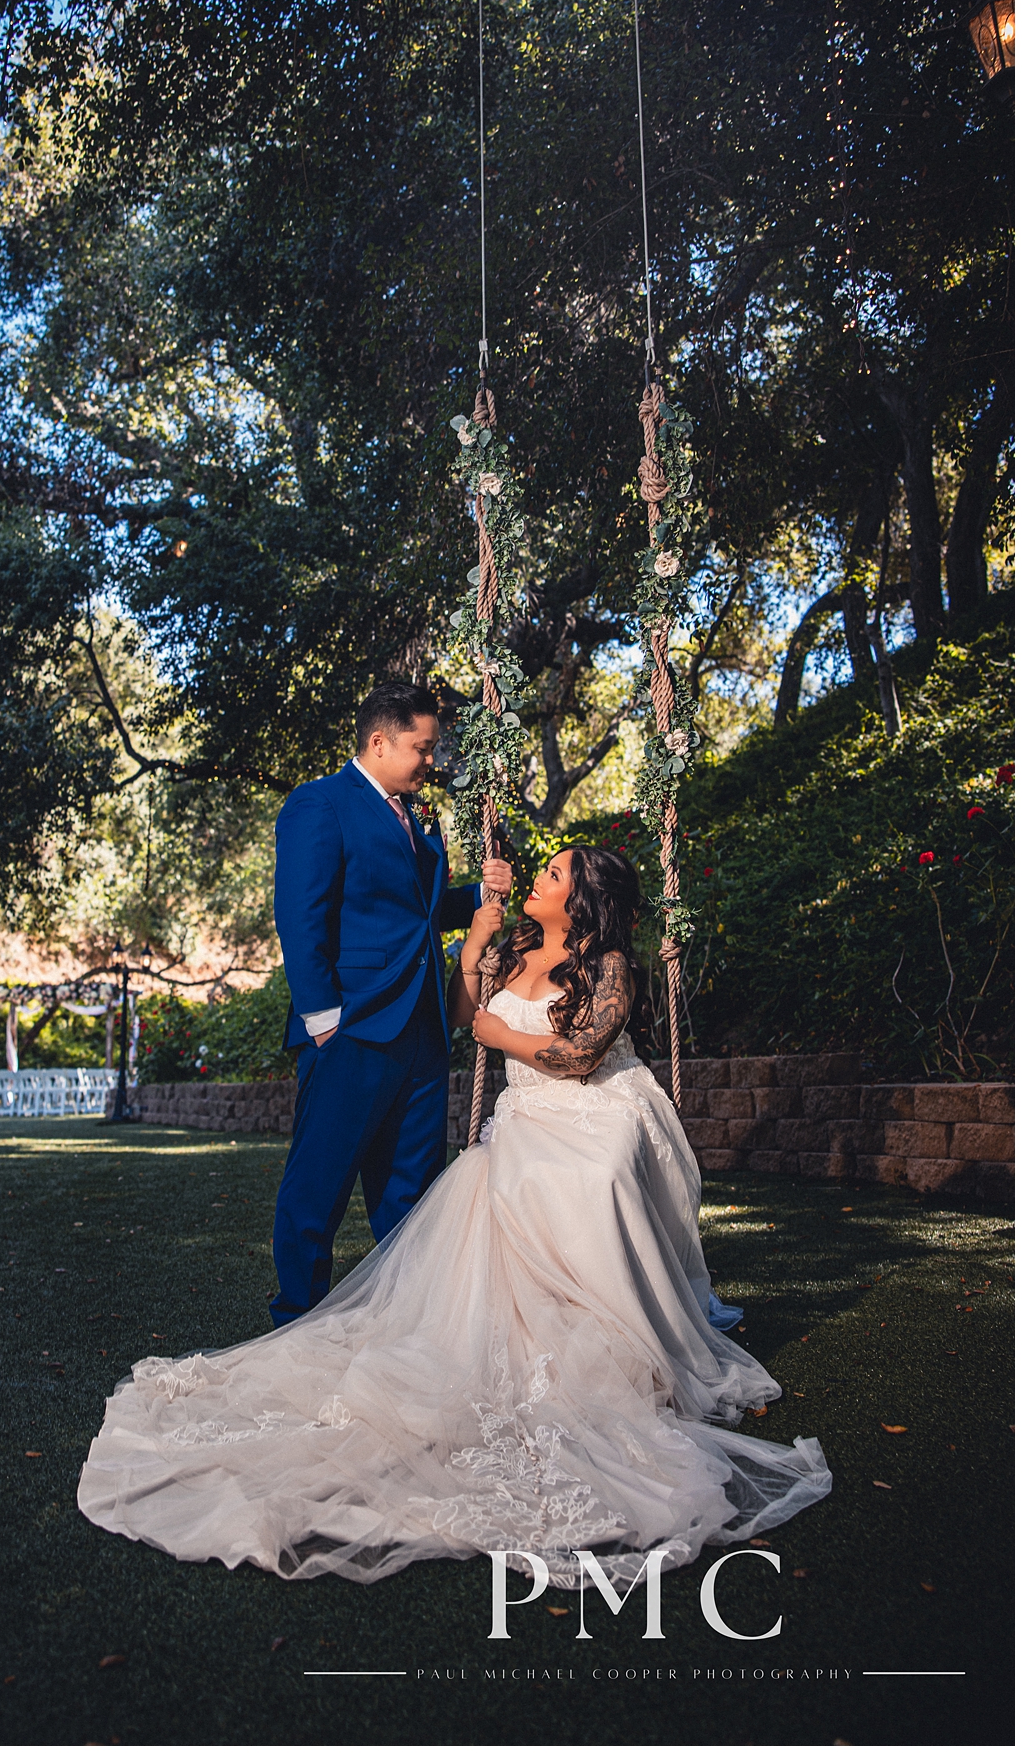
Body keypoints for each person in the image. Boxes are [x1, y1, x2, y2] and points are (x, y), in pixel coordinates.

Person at [78, 845, 831, 1589]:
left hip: (596, 1107)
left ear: (582, 900)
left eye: (555, 874)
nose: (539, 878)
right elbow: (463, 1015)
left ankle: (605, 1323)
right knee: (497, 1178)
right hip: (527, 1112)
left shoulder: (608, 967)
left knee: (586, 1174)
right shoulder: (514, 948)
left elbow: (578, 1055)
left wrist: (501, 1035)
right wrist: (472, 946)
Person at [265, 681, 512, 1326]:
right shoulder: (318, 805)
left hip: (423, 1028)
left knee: (414, 1192)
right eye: (421, 748)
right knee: (318, 1186)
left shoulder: (417, 817)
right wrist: (324, 1022)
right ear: (379, 742)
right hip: (351, 1029)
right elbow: (301, 918)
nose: (431, 760)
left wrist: (477, 896)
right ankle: (296, 1319)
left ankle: (411, 1326)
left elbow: (417, 913)